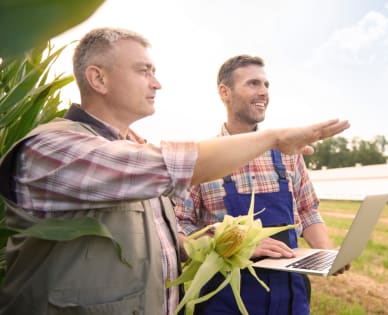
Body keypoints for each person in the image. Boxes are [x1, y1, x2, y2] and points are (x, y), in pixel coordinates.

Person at [0, 28, 349, 315]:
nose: (157, 83)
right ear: (99, 78)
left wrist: (211, 243)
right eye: (144, 71)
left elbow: (163, 242)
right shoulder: (53, 148)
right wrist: (274, 138)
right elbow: (172, 167)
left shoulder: (133, 148)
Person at [174, 54, 351, 315]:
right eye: (253, 84)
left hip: (290, 294)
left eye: (266, 85)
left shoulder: (289, 153)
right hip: (226, 298)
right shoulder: (203, 158)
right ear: (225, 92)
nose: (263, 93)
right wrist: (237, 246)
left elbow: (307, 211)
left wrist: (327, 254)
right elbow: (178, 226)